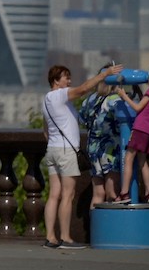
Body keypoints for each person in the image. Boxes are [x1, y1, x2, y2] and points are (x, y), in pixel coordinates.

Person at [42, 62, 121, 248]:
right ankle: (66, 237)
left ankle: (50, 237)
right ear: (56, 81)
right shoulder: (60, 95)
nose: (69, 81)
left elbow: (45, 130)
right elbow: (84, 88)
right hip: (65, 151)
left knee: (54, 195)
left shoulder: (46, 99)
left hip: (52, 150)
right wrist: (105, 75)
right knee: (68, 195)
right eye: (66, 78)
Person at [113, 70, 149, 204]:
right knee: (142, 161)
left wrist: (124, 95)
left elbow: (137, 108)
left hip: (140, 128)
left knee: (129, 158)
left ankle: (124, 193)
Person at [81, 75, 122, 205]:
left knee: (98, 193)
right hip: (110, 148)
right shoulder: (115, 100)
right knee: (112, 192)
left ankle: (95, 225)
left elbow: (82, 119)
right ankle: (110, 224)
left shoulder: (90, 100)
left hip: (92, 148)